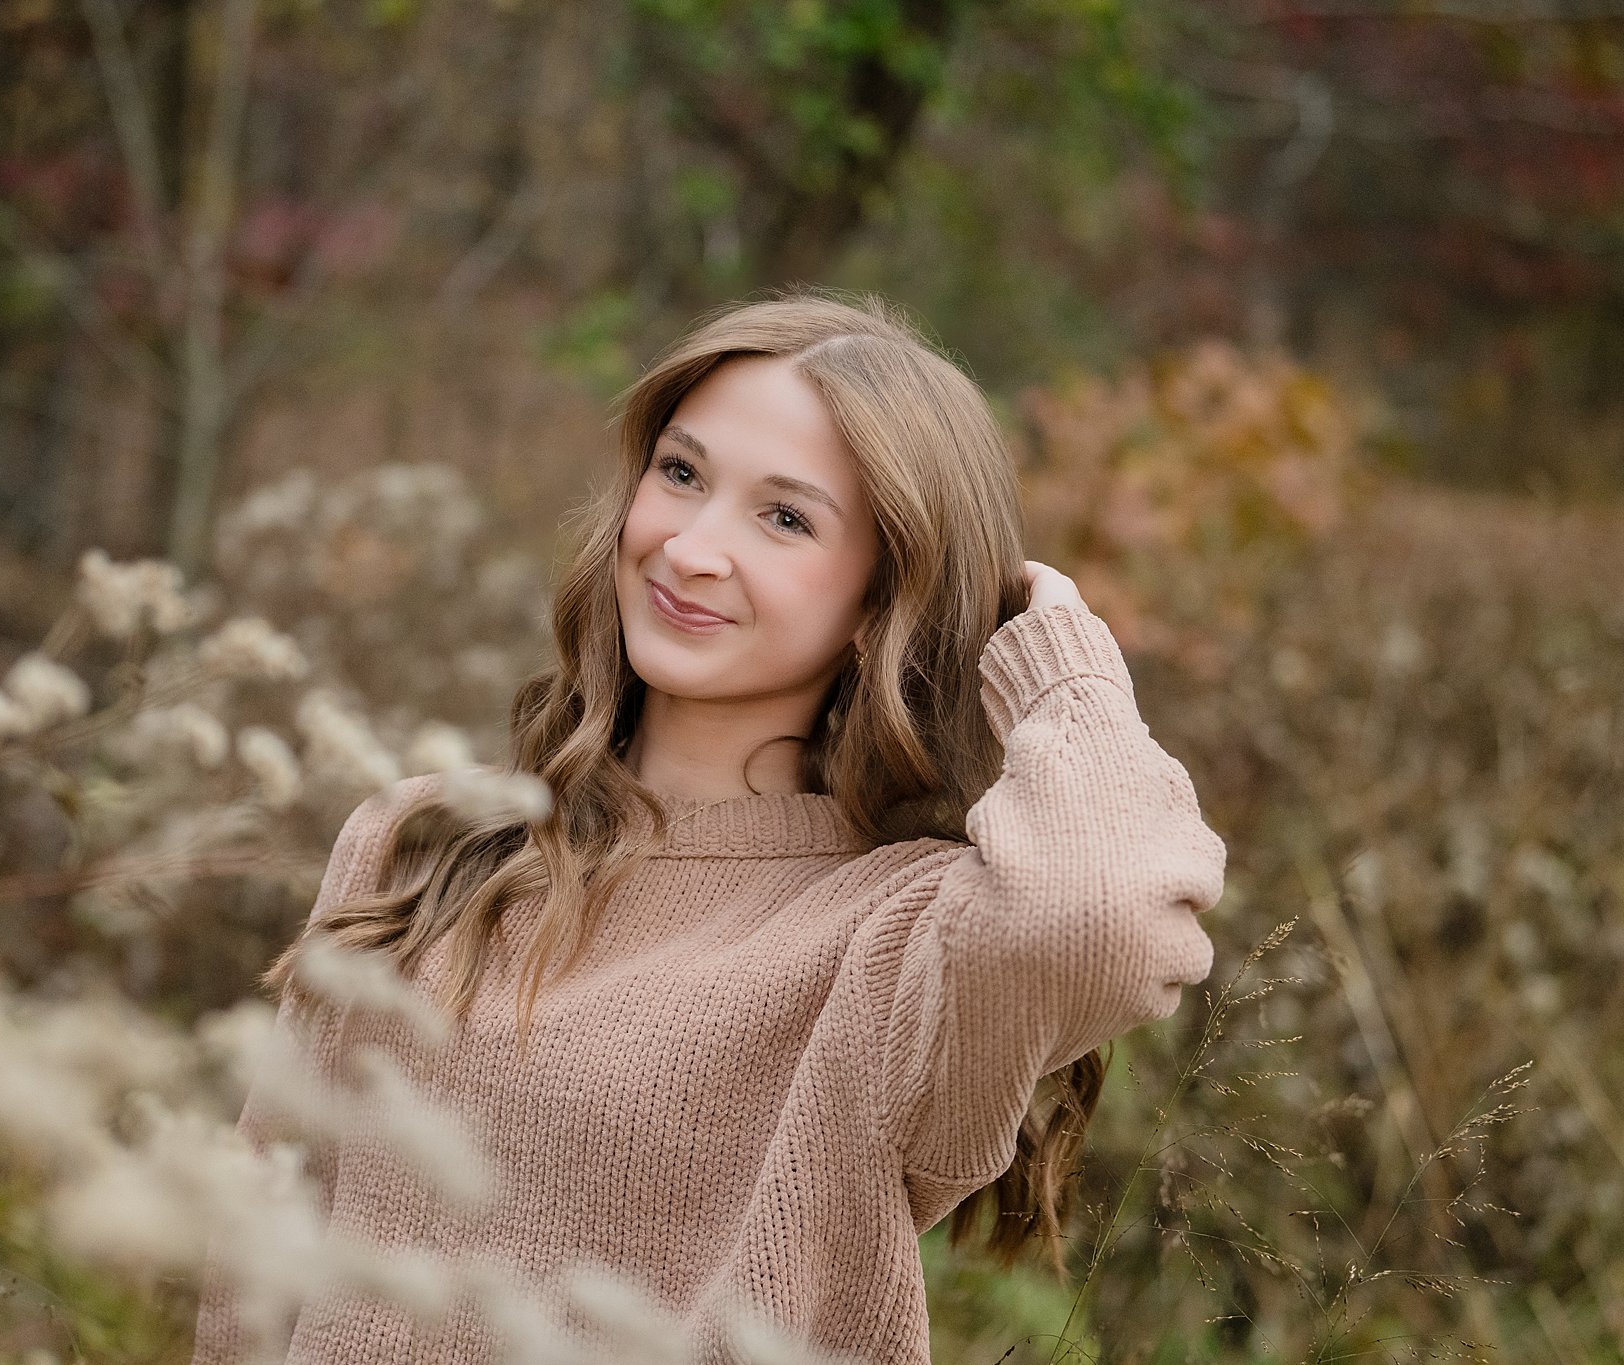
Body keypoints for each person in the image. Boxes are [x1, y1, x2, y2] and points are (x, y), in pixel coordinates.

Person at [190, 287, 1226, 1365]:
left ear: (884, 597)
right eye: (679, 474)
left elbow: (1097, 917)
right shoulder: (423, 843)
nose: (688, 548)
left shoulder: (896, 938)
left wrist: (1050, 644)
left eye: (783, 518)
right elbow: (256, 1254)